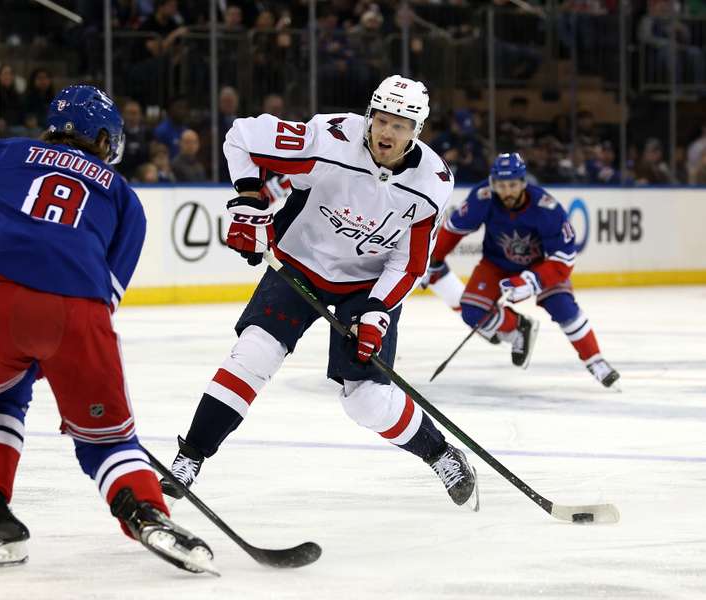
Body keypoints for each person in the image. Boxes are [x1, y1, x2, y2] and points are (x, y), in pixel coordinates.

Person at [0, 85, 216, 574]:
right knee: (105, 439)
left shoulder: (12, 153)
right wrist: (53, 357)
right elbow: (105, 302)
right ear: (104, 139)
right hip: (75, 309)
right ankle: (144, 510)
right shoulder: (125, 199)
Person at [160, 76, 480, 512]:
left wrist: (376, 312)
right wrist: (249, 200)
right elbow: (241, 137)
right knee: (253, 353)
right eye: (381, 119)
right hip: (299, 264)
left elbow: (408, 263)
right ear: (369, 116)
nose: (386, 132)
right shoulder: (328, 140)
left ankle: (440, 453)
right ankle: (190, 457)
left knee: (365, 400)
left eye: (400, 125)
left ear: (417, 131)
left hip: (366, 287)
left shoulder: (432, 182)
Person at [423, 152, 620, 388]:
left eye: (513, 185)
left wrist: (532, 280)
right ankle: (519, 329)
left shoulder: (546, 208)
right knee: (473, 313)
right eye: (501, 185)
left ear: (524, 183)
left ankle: (595, 360)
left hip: (541, 265)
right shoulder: (483, 196)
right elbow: (453, 230)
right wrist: (431, 261)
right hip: (496, 264)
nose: (507, 191)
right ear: (493, 182)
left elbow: (564, 259)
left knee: (563, 307)